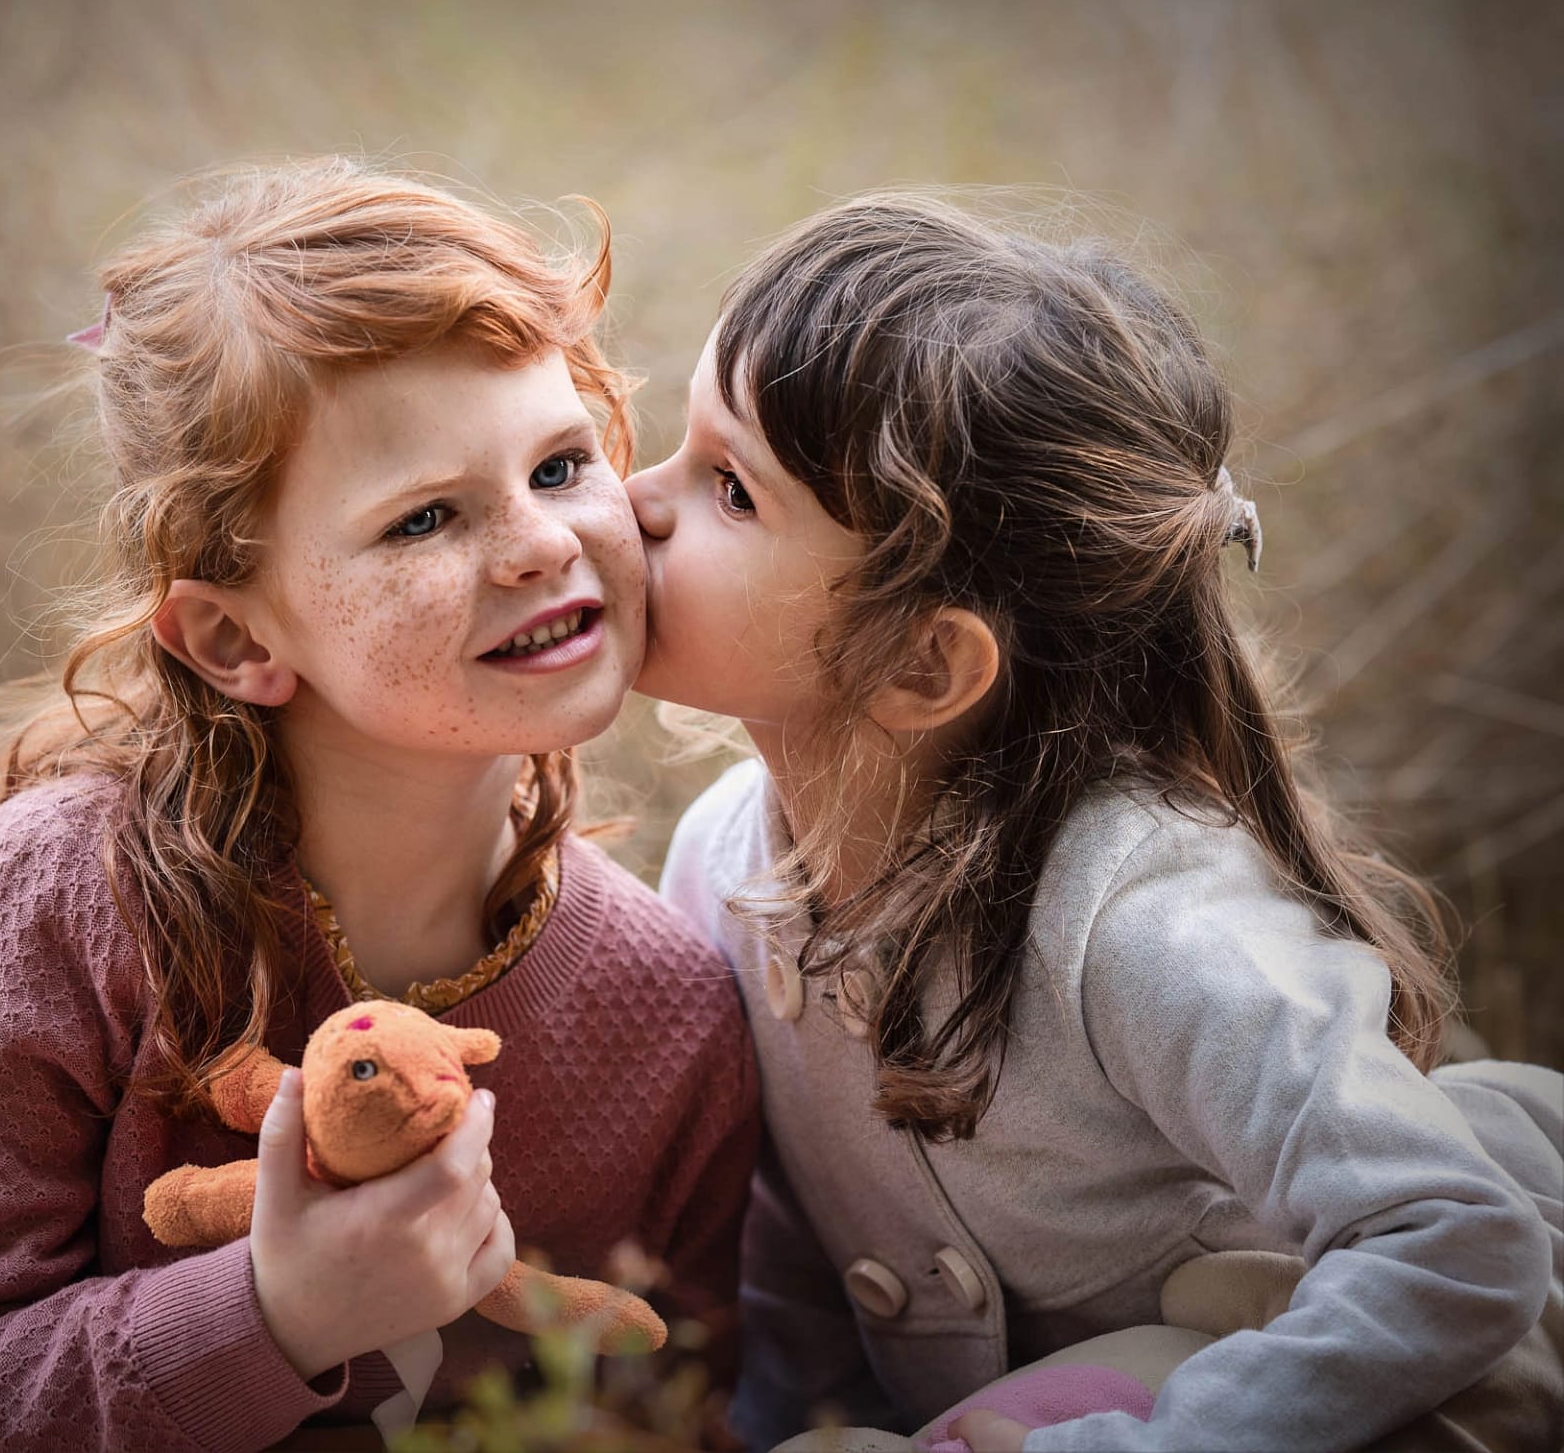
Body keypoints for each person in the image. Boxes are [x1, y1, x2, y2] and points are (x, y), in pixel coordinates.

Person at [0, 159, 757, 1453]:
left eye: (558, 463)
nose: (540, 543)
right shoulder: (47, 899)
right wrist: (275, 1307)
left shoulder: (671, 1004)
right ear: (232, 634)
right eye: (425, 516)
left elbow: (674, 1415)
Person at [632, 192, 1560, 1452]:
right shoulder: (728, 854)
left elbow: (1457, 1241)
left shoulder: (1139, 922)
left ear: (919, 665)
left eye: (729, 488)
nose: (634, 500)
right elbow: (790, 1263)